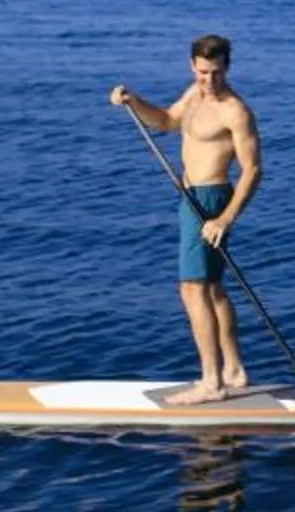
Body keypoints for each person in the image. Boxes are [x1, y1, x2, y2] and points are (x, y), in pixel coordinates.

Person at [110, 34, 263, 404]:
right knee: (212, 289)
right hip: (190, 197)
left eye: (215, 72)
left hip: (211, 200)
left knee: (192, 289)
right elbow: (165, 121)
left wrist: (225, 218)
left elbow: (253, 170)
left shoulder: (235, 111)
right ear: (192, 66)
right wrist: (134, 101)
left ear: (227, 67)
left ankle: (211, 382)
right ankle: (234, 371)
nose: (208, 80)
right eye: (201, 72)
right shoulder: (194, 95)